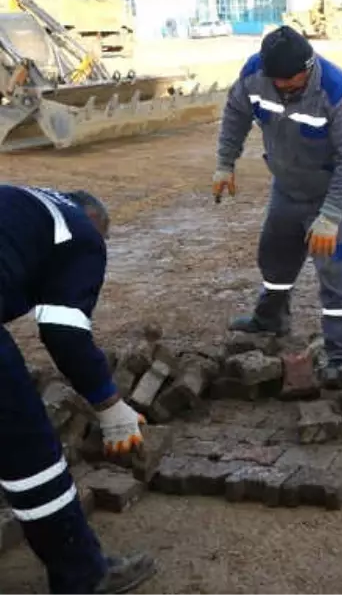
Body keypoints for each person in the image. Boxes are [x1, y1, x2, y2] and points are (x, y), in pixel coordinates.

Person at [0, 185, 157, 594]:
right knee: (30, 455)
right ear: (95, 223)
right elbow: (63, 332)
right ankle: (84, 576)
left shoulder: (22, 204)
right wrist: (108, 404)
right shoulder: (81, 233)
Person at [213, 26, 342, 386]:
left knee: (335, 272)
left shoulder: (339, 94)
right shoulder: (255, 75)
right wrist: (225, 163)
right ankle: (271, 320)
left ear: (309, 67)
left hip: (333, 196)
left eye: (293, 84)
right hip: (286, 188)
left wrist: (330, 217)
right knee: (275, 257)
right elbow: (236, 113)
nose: (285, 91)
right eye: (279, 84)